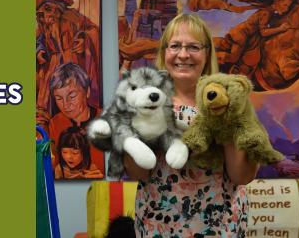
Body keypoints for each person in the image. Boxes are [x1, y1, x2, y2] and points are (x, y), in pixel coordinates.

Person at [123, 13, 260, 237]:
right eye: (175, 45)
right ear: (164, 52)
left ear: (207, 53)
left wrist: (227, 123)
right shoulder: (143, 97)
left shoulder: (228, 97)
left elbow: (241, 176)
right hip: (159, 224)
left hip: (220, 226)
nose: (183, 54)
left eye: (194, 47)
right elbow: (139, 173)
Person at [47, 63, 104, 178]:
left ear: (87, 92)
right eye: (58, 98)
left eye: (72, 96)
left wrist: (105, 177)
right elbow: (52, 164)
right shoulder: (55, 123)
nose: (65, 104)